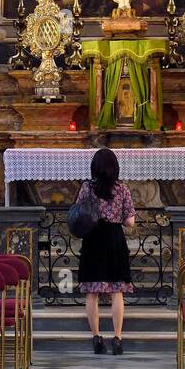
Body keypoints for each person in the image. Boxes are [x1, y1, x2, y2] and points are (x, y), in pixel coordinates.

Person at [76, 148, 136, 355]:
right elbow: (130, 222)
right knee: (116, 291)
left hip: (93, 239)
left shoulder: (86, 188)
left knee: (92, 292)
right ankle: (117, 338)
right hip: (113, 239)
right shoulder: (122, 189)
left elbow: (78, 214)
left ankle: (96, 337)